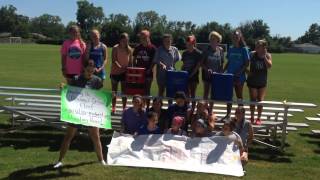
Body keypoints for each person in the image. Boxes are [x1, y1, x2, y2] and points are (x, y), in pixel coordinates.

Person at [54, 60, 105, 168]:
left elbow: (99, 96)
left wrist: (110, 97)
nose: (90, 73)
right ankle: (60, 161)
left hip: (90, 112)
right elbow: (69, 91)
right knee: (68, 136)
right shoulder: (76, 79)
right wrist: (63, 88)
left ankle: (101, 160)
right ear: (84, 69)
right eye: (88, 70)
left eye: (92, 71)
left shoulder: (97, 80)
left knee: (96, 137)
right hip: (76, 112)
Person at [223, 29, 250, 119]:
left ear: (240, 37)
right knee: (228, 96)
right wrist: (223, 70)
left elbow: (247, 63)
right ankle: (228, 115)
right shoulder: (230, 48)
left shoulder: (244, 49)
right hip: (229, 76)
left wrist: (239, 72)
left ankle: (241, 116)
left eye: (237, 37)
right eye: (234, 36)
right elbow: (229, 61)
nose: (235, 38)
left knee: (239, 96)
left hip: (239, 77)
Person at [247, 40, 272, 125]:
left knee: (260, 100)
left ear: (263, 47)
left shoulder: (268, 55)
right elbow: (244, 63)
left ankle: (258, 118)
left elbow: (269, 66)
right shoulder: (252, 54)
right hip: (252, 81)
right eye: (256, 46)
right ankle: (252, 116)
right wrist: (247, 72)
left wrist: (264, 56)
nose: (256, 47)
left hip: (262, 82)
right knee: (253, 100)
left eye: (258, 46)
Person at [201, 31, 224, 113]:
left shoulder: (221, 50)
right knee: (206, 93)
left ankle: (210, 111)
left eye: (214, 39)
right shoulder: (206, 50)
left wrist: (221, 73)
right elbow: (201, 63)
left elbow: (221, 63)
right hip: (207, 75)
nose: (212, 41)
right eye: (211, 39)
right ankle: (203, 111)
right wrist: (207, 69)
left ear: (218, 41)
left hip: (216, 76)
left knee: (213, 94)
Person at [133, 30, 157, 109]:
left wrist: (150, 69)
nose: (141, 38)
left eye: (142, 37)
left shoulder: (153, 48)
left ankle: (146, 107)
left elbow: (154, 61)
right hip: (138, 73)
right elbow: (134, 58)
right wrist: (134, 67)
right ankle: (140, 107)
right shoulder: (138, 47)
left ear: (147, 37)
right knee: (139, 91)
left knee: (147, 91)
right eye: (140, 37)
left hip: (148, 73)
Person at [110, 33, 133, 113]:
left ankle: (124, 108)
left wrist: (129, 70)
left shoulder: (129, 49)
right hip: (115, 72)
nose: (125, 42)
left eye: (126, 40)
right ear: (120, 40)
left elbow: (130, 62)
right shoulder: (115, 48)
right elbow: (114, 60)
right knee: (114, 91)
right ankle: (113, 107)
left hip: (125, 73)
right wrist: (120, 67)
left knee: (124, 91)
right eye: (123, 40)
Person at [181, 35, 202, 110]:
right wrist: (182, 73)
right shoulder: (184, 53)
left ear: (193, 43)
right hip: (185, 75)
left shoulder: (198, 53)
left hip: (194, 76)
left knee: (193, 93)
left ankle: (193, 109)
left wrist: (191, 74)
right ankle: (187, 107)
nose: (188, 45)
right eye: (187, 44)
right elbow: (184, 64)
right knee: (186, 93)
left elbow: (198, 66)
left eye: (190, 44)